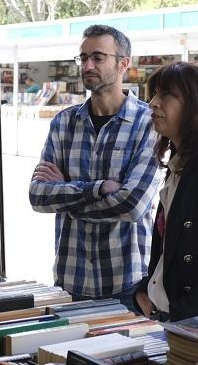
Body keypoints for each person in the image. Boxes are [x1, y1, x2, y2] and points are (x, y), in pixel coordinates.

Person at [29, 24, 159, 308]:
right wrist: (98, 189)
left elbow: (133, 205)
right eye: (83, 57)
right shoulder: (64, 122)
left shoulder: (147, 123)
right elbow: (38, 196)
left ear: (123, 63)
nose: (87, 65)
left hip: (126, 286)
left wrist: (65, 194)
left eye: (98, 57)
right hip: (69, 282)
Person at [134, 62, 198, 322]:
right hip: (171, 318)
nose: (152, 104)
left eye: (166, 94)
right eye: (154, 94)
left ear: (197, 103)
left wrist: (186, 311)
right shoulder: (179, 162)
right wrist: (146, 287)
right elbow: (169, 246)